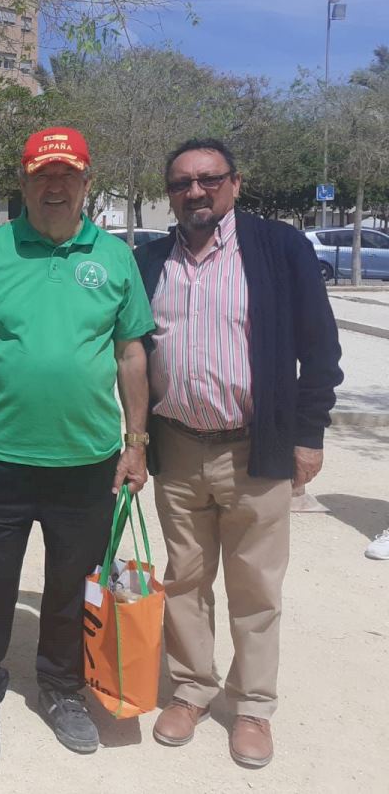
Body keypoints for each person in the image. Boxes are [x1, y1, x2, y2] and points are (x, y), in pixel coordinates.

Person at [0, 128, 155, 767]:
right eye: (42, 175)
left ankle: (61, 689)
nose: (54, 186)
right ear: (24, 182)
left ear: (87, 182)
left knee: (71, 585)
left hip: (87, 461)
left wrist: (136, 442)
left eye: (66, 174)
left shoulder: (115, 257)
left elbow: (131, 353)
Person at [135, 138, 343, 769]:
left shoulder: (279, 248)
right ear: (169, 194)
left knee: (256, 586)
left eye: (209, 178)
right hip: (177, 446)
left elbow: (320, 348)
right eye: (181, 183)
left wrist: (308, 434)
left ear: (235, 183)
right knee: (185, 580)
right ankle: (192, 689)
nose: (195, 191)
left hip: (256, 448)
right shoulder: (149, 260)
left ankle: (252, 705)